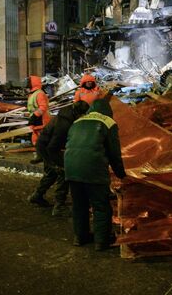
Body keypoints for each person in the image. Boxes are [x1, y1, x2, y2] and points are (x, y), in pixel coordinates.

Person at [64, 98, 126, 251]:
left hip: (71, 168)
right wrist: (121, 174)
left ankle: (80, 237)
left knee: (79, 205)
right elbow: (114, 153)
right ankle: (101, 241)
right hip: (93, 168)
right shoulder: (108, 122)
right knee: (101, 205)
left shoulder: (77, 122)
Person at [27, 101, 89, 216]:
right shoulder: (64, 123)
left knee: (51, 173)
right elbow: (52, 147)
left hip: (45, 146)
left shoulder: (67, 115)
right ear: (78, 113)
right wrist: (58, 164)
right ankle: (59, 206)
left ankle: (37, 196)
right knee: (63, 173)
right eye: (83, 114)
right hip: (48, 148)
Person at [26, 75, 50, 164]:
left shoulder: (39, 93)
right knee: (36, 138)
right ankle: (40, 156)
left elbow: (43, 107)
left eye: (28, 81)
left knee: (41, 139)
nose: (27, 83)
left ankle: (44, 157)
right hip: (36, 118)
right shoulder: (33, 93)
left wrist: (34, 116)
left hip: (41, 119)